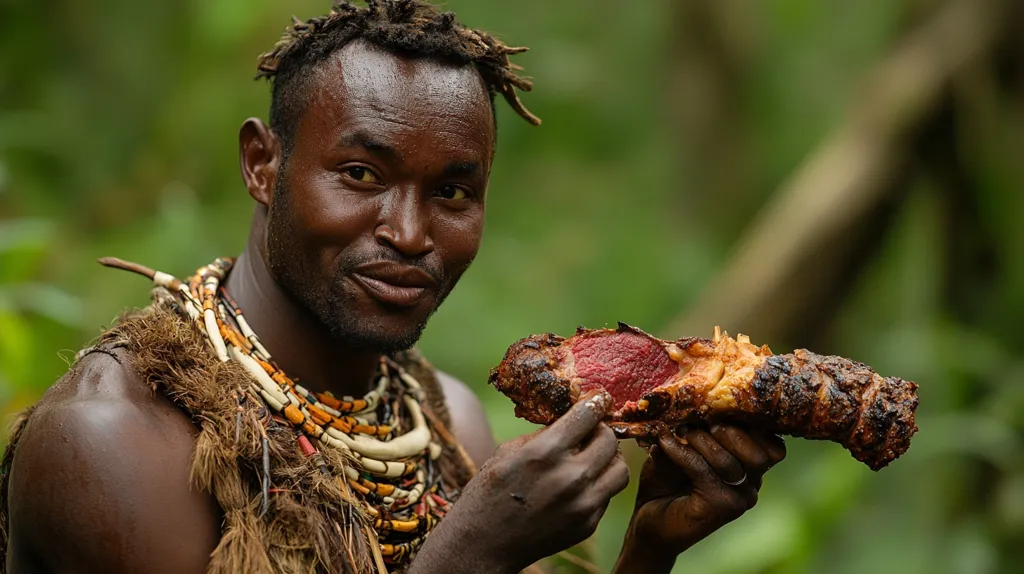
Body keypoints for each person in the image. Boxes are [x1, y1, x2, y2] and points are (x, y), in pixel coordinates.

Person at [0, 1, 786, 573]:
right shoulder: (114, 446)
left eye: (451, 194)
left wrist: (647, 550)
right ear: (261, 165)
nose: (410, 234)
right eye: (360, 175)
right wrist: (465, 555)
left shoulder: (449, 427)